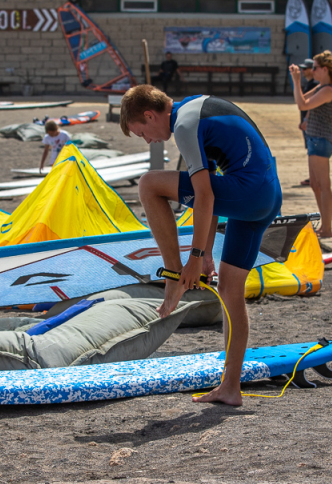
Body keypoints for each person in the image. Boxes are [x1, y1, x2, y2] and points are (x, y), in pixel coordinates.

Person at [120, 85, 281, 406]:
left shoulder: (183, 126)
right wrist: (206, 252)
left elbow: (205, 195)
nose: (148, 140)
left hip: (247, 192)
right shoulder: (194, 108)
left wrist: (193, 259)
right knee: (230, 292)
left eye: (142, 133)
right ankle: (230, 388)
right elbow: (210, 186)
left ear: (150, 115)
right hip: (267, 195)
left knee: (149, 185)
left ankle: (172, 275)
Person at [289, 50, 332, 239]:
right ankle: (324, 225)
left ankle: (327, 228)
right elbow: (303, 101)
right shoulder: (321, 86)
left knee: (324, 184)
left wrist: (296, 81)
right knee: (315, 184)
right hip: (314, 138)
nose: (312, 71)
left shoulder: (328, 89)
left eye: (314, 68)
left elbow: (302, 105)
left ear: (324, 69)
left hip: (321, 140)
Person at [299, 58, 319, 186]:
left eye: (305, 69)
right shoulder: (309, 84)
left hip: (311, 122)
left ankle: (314, 177)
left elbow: (312, 105)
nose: (302, 71)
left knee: (313, 151)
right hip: (306, 121)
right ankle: (313, 176)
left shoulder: (314, 85)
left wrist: (306, 119)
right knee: (310, 150)